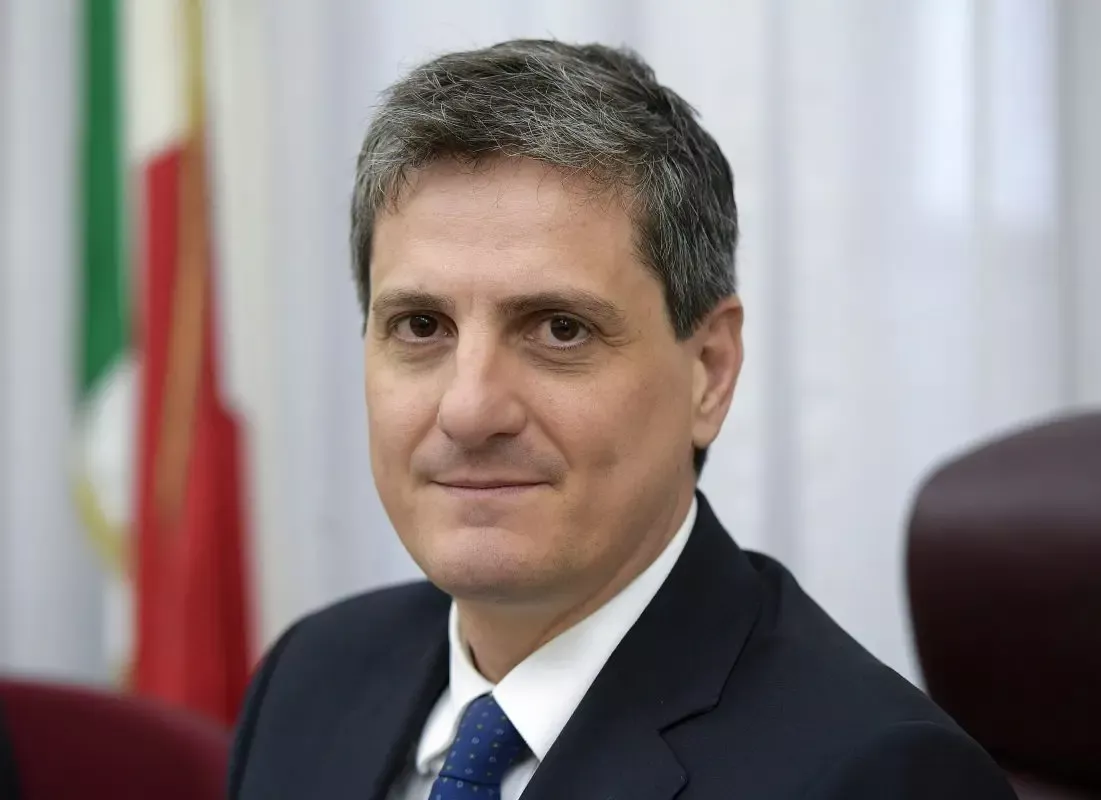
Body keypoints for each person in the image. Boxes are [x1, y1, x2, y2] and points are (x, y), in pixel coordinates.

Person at [228, 39, 1017, 800]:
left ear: (709, 371)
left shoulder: (875, 777)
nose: (469, 411)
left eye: (559, 329)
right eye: (421, 326)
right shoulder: (308, 680)